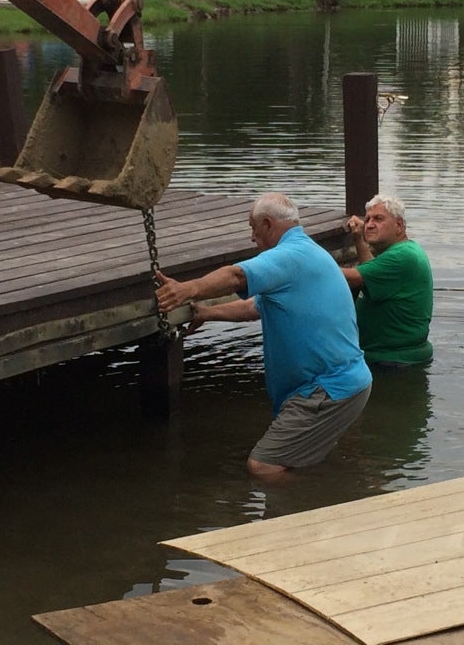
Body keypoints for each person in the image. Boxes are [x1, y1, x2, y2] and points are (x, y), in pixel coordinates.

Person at [154, 192, 372, 477]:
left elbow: (236, 276)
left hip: (327, 389)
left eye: (253, 228)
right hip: (342, 384)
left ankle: (320, 496)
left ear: (268, 224)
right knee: (305, 461)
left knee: (264, 466)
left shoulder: (289, 256)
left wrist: (187, 289)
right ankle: (339, 490)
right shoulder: (307, 254)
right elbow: (254, 307)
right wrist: (207, 313)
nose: (252, 237)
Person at [341, 194, 433, 368]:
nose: (369, 225)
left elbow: (353, 278)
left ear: (399, 225)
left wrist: (310, 258)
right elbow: (371, 273)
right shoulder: (405, 250)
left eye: (378, 219)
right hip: (395, 358)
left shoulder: (402, 256)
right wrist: (359, 239)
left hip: (393, 362)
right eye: (367, 219)